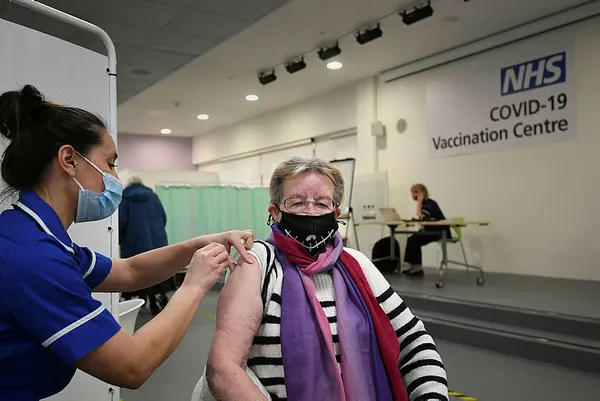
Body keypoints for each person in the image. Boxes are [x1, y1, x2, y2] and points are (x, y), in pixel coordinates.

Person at [0, 85, 254, 401]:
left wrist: (198, 245)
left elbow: (130, 271)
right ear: (69, 160)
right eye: (109, 164)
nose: (115, 179)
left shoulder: (32, 234)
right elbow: (131, 366)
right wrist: (193, 286)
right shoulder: (32, 256)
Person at [195, 157, 448, 401]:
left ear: (336, 213)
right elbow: (223, 368)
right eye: (296, 203)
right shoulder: (257, 263)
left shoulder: (357, 264)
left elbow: (414, 340)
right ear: (275, 212)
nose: (310, 212)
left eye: (322, 204)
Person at [119, 175, 172, 315]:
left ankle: (141, 300)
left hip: (134, 243)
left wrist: (120, 239)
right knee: (156, 271)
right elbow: (163, 217)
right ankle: (157, 299)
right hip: (157, 242)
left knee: (138, 271)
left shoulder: (124, 199)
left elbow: (121, 222)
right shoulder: (153, 197)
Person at [402, 184, 451, 277]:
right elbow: (424, 220)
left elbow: (421, 216)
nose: (413, 194)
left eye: (416, 192)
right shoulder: (425, 204)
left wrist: (419, 203)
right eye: (412, 192)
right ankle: (413, 266)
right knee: (411, 239)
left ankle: (418, 268)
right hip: (431, 230)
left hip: (440, 232)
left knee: (414, 240)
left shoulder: (429, 204)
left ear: (423, 193)